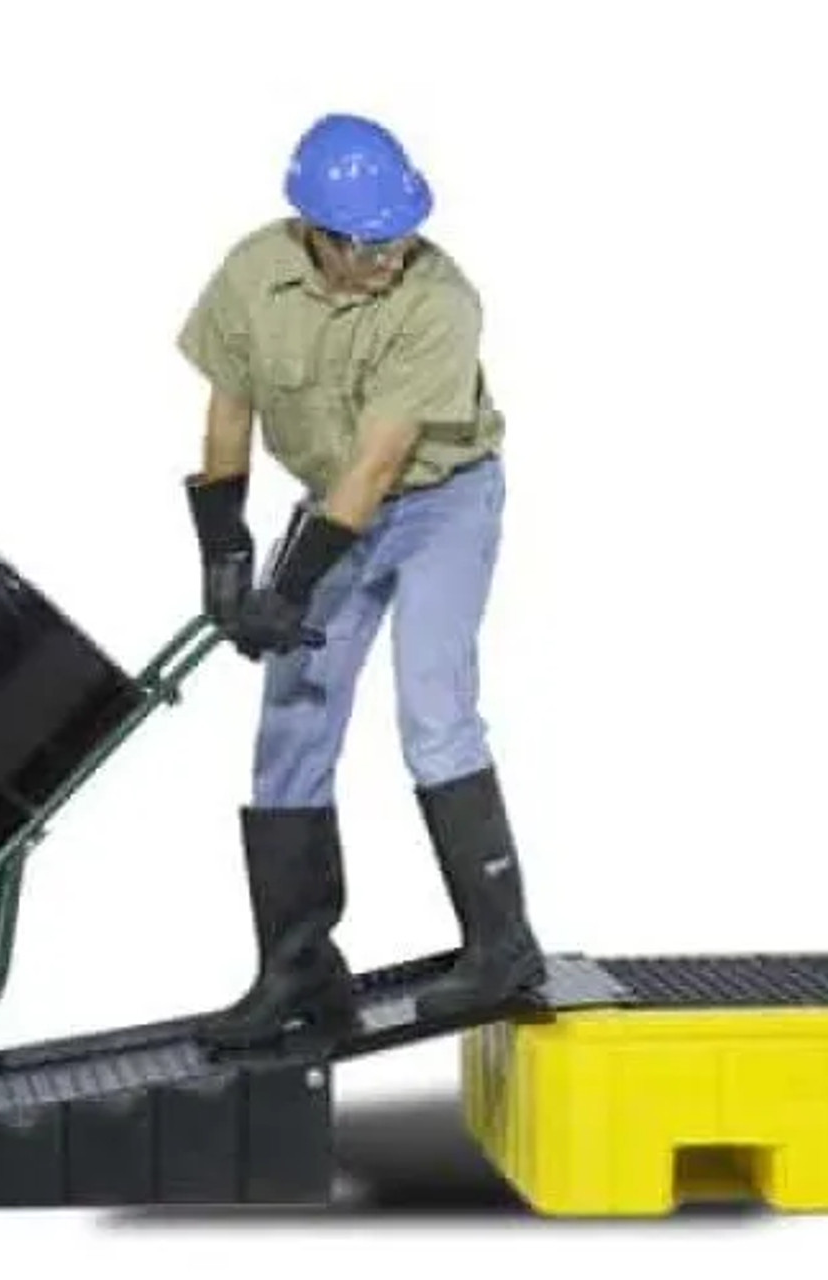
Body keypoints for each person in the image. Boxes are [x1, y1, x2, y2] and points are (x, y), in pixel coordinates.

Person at [178, 112, 545, 1050]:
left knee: (432, 705)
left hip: (440, 505)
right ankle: (298, 966)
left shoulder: (442, 301)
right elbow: (228, 417)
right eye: (375, 243)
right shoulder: (252, 277)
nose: (395, 255)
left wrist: (289, 586)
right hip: (332, 508)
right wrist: (226, 562)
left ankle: (502, 947)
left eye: (404, 235)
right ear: (319, 234)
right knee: (291, 721)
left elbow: (378, 466)